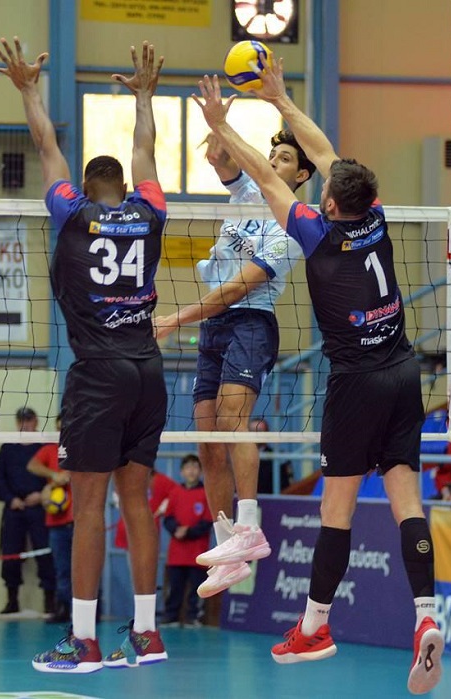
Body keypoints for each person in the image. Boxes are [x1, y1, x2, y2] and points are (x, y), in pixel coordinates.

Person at [192, 61, 444, 693]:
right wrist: (281, 99)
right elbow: (327, 153)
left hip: (356, 385)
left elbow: (260, 173)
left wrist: (223, 123)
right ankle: (426, 614)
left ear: (329, 202)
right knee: (408, 504)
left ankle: (314, 627)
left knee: (337, 512)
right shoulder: (375, 215)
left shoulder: (316, 234)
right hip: (403, 372)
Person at [0, 37, 169, 673]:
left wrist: (28, 89)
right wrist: (144, 98)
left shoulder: (71, 215)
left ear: (85, 189)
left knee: (89, 506)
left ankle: (84, 641)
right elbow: (146, 152)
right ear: (125, 187)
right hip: (150, 372)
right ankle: (146, 634)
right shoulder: (150, 213)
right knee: (137, 503)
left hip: (98, 376)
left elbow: (46, 148)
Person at [153, 129, 314, 598]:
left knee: (232, 421)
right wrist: (217, 128)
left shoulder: (294, 226)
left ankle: (249, 526)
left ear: (302, 175)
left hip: (249, 321)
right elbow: (223, 162)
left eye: (284, 158)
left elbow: (235, 291)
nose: (274, 161)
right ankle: (228, 552)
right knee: (207, 441)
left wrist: (174, 319)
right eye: (272, 154)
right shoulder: (246, 194)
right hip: (214, 327)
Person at [0, 406, 56, 617]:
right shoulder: (8, 448)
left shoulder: (45, 446)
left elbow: (54, 475)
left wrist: (42, 495)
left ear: (36, 422)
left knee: (45, 552)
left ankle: (50, 601)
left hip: (40, 508)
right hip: (15, 508)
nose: (25, 425)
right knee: (10, 554)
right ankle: (12, 600)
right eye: (21, 421)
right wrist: (11, 499)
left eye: (29, 420)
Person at [26, 416, 72, 624]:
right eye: (60, 428)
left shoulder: (83, 448)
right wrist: (54, 476)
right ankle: (62, 608)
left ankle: (90, 610)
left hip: (80, 520)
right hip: (56, 522)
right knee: (62, 569)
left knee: (85, 568)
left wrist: (64, 477)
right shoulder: (50, 449)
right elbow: (32, 465)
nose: (63, 431)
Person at [160, 454, 212, 628]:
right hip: (176, 553)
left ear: (201, 471)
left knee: (197, 588)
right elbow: (168, 518)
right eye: (188, 467)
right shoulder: (175, 492)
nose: (192, 471)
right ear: (181, 472)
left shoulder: (206, 493)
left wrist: (188, 531)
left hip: (198, 551)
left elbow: (207, 522)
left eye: (195, 467)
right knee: (175, 587)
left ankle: (193, 617)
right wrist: (176, 530)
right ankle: (171, 616)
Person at [252, 417, 294, 495]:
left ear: (267, 433)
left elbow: (286, 487)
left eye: (259, 431)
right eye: (252, 431)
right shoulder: (239, 459)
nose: (255, 434)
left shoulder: (279, 458)